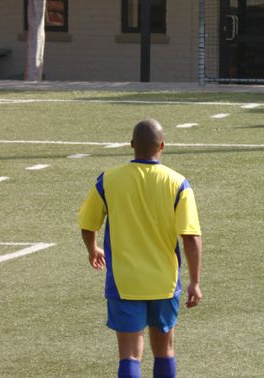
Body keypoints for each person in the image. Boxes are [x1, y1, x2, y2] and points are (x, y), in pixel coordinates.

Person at [78, 119, 202, 378]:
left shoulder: (109, 179)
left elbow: (88, 223)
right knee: (164, 351)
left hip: (125, 282)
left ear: (132, 145)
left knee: (130, 355)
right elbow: (190, 237)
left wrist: (93, 249)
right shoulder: (178, 183)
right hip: (164, 282)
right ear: (163, 146)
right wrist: (195, 282)